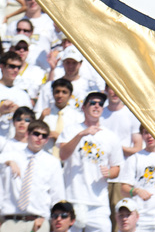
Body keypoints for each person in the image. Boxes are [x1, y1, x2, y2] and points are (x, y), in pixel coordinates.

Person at [58, 91, 124, 232]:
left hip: (98, 203)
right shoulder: (72, 130)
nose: (97, 106)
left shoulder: (111, 136)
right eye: (92, 103)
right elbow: (62, 155)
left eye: (100, 104)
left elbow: (116, 168)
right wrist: (81, 134)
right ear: (84, 107)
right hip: (73, 199)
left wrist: (109, 173)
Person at [0, 119, 66, 232]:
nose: (39, 138)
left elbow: (57, 196)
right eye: (36, 134)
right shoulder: (12, 155)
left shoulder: (52, 162)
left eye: (44, 136)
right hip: (11, 221)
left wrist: (48, 219)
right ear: (27, 134)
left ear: (47, 140)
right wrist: (7, 163)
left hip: (38, 221)